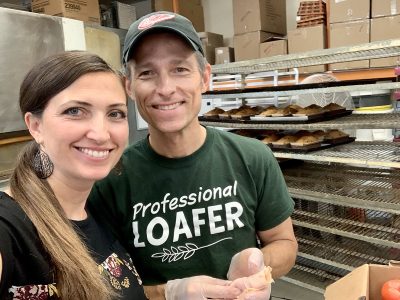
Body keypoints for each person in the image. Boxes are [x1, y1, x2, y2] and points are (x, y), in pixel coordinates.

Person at [88, 11, 298, 299]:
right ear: (129, 86)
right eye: (147, 73)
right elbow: (106, 285)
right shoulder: (110, 179)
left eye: (180, 69)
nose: (165, 89)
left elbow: (284, 242)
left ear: (205, 77)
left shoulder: (253, 157)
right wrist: (169, 293)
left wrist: (260, 265)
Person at [0, 51, 147, 300]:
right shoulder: (9, 228)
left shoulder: (99, 210)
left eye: (115, 114)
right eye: (75, 111)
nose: (101, 134)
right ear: (35, 126)